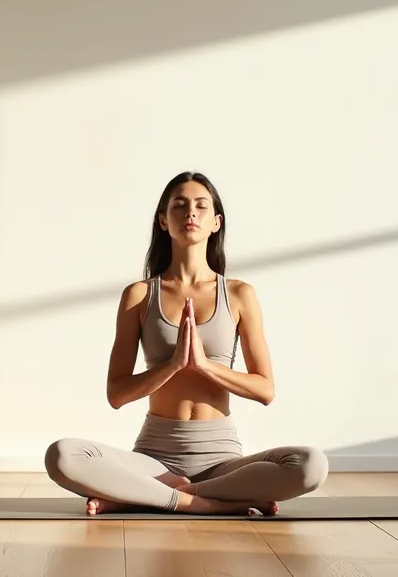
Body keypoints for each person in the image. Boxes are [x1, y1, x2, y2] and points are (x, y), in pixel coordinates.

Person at [44, 171, 329, 516]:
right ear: (163, 221)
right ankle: (209, 504)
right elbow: (117, 394)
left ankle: (153, 496)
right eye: (179, 205)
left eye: (200, 206)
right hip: (153, 458)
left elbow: (265, 389)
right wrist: (173, 365)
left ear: (215, 222)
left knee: (311, 465)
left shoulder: (239, 295)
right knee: (62, 455)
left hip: (221, 461)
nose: (190, 213)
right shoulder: (139, 295)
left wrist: (205, 365)